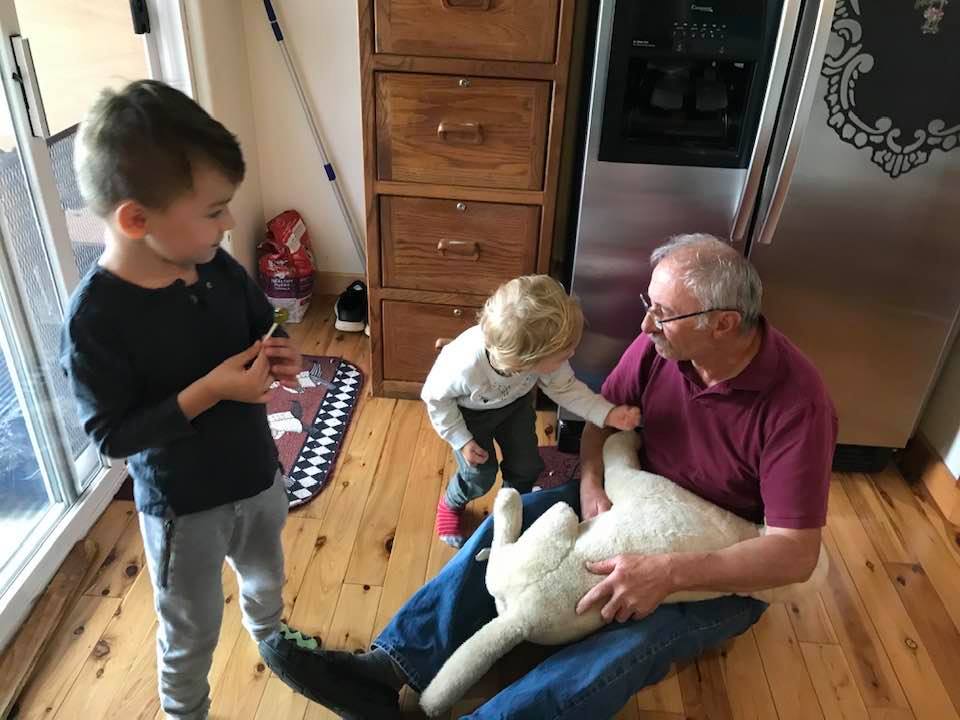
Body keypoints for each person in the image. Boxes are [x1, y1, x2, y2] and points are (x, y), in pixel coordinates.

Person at [266, 233, 837, 719]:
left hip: (716, 556)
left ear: (724, 324)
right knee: (506, 532)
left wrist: (667, 572)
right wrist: (591, 486)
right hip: (626, 494)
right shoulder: (659, 348)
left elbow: (794, 555)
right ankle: (387, 670)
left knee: (625, 645)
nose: (645, 323)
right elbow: (599, 423)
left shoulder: (799, 406)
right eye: (649, 303)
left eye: (662, 313)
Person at [61, 80, 324, 720]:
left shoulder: (215, 266)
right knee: (191, 625)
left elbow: (261, 323)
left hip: (257, 475)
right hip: (184, 508)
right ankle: (185, 711)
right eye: (214, 210)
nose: (230, 223)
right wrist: (208, 393)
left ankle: (272, 638)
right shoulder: (96, 320)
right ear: (137, 220)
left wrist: (280, 349)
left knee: (267, 575)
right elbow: (112, 437)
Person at [422, 274, 641, 547]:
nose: (571, 355)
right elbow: (436, 399)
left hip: (515, 406)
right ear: (525, 362)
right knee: (479, 475)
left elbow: (566, 388)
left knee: (526, 466)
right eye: (563, 355)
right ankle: (452, 502)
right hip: (468, 417)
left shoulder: (538, 358)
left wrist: (607, 413)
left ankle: (511, 507)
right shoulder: (464, 365)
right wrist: (461, 439)